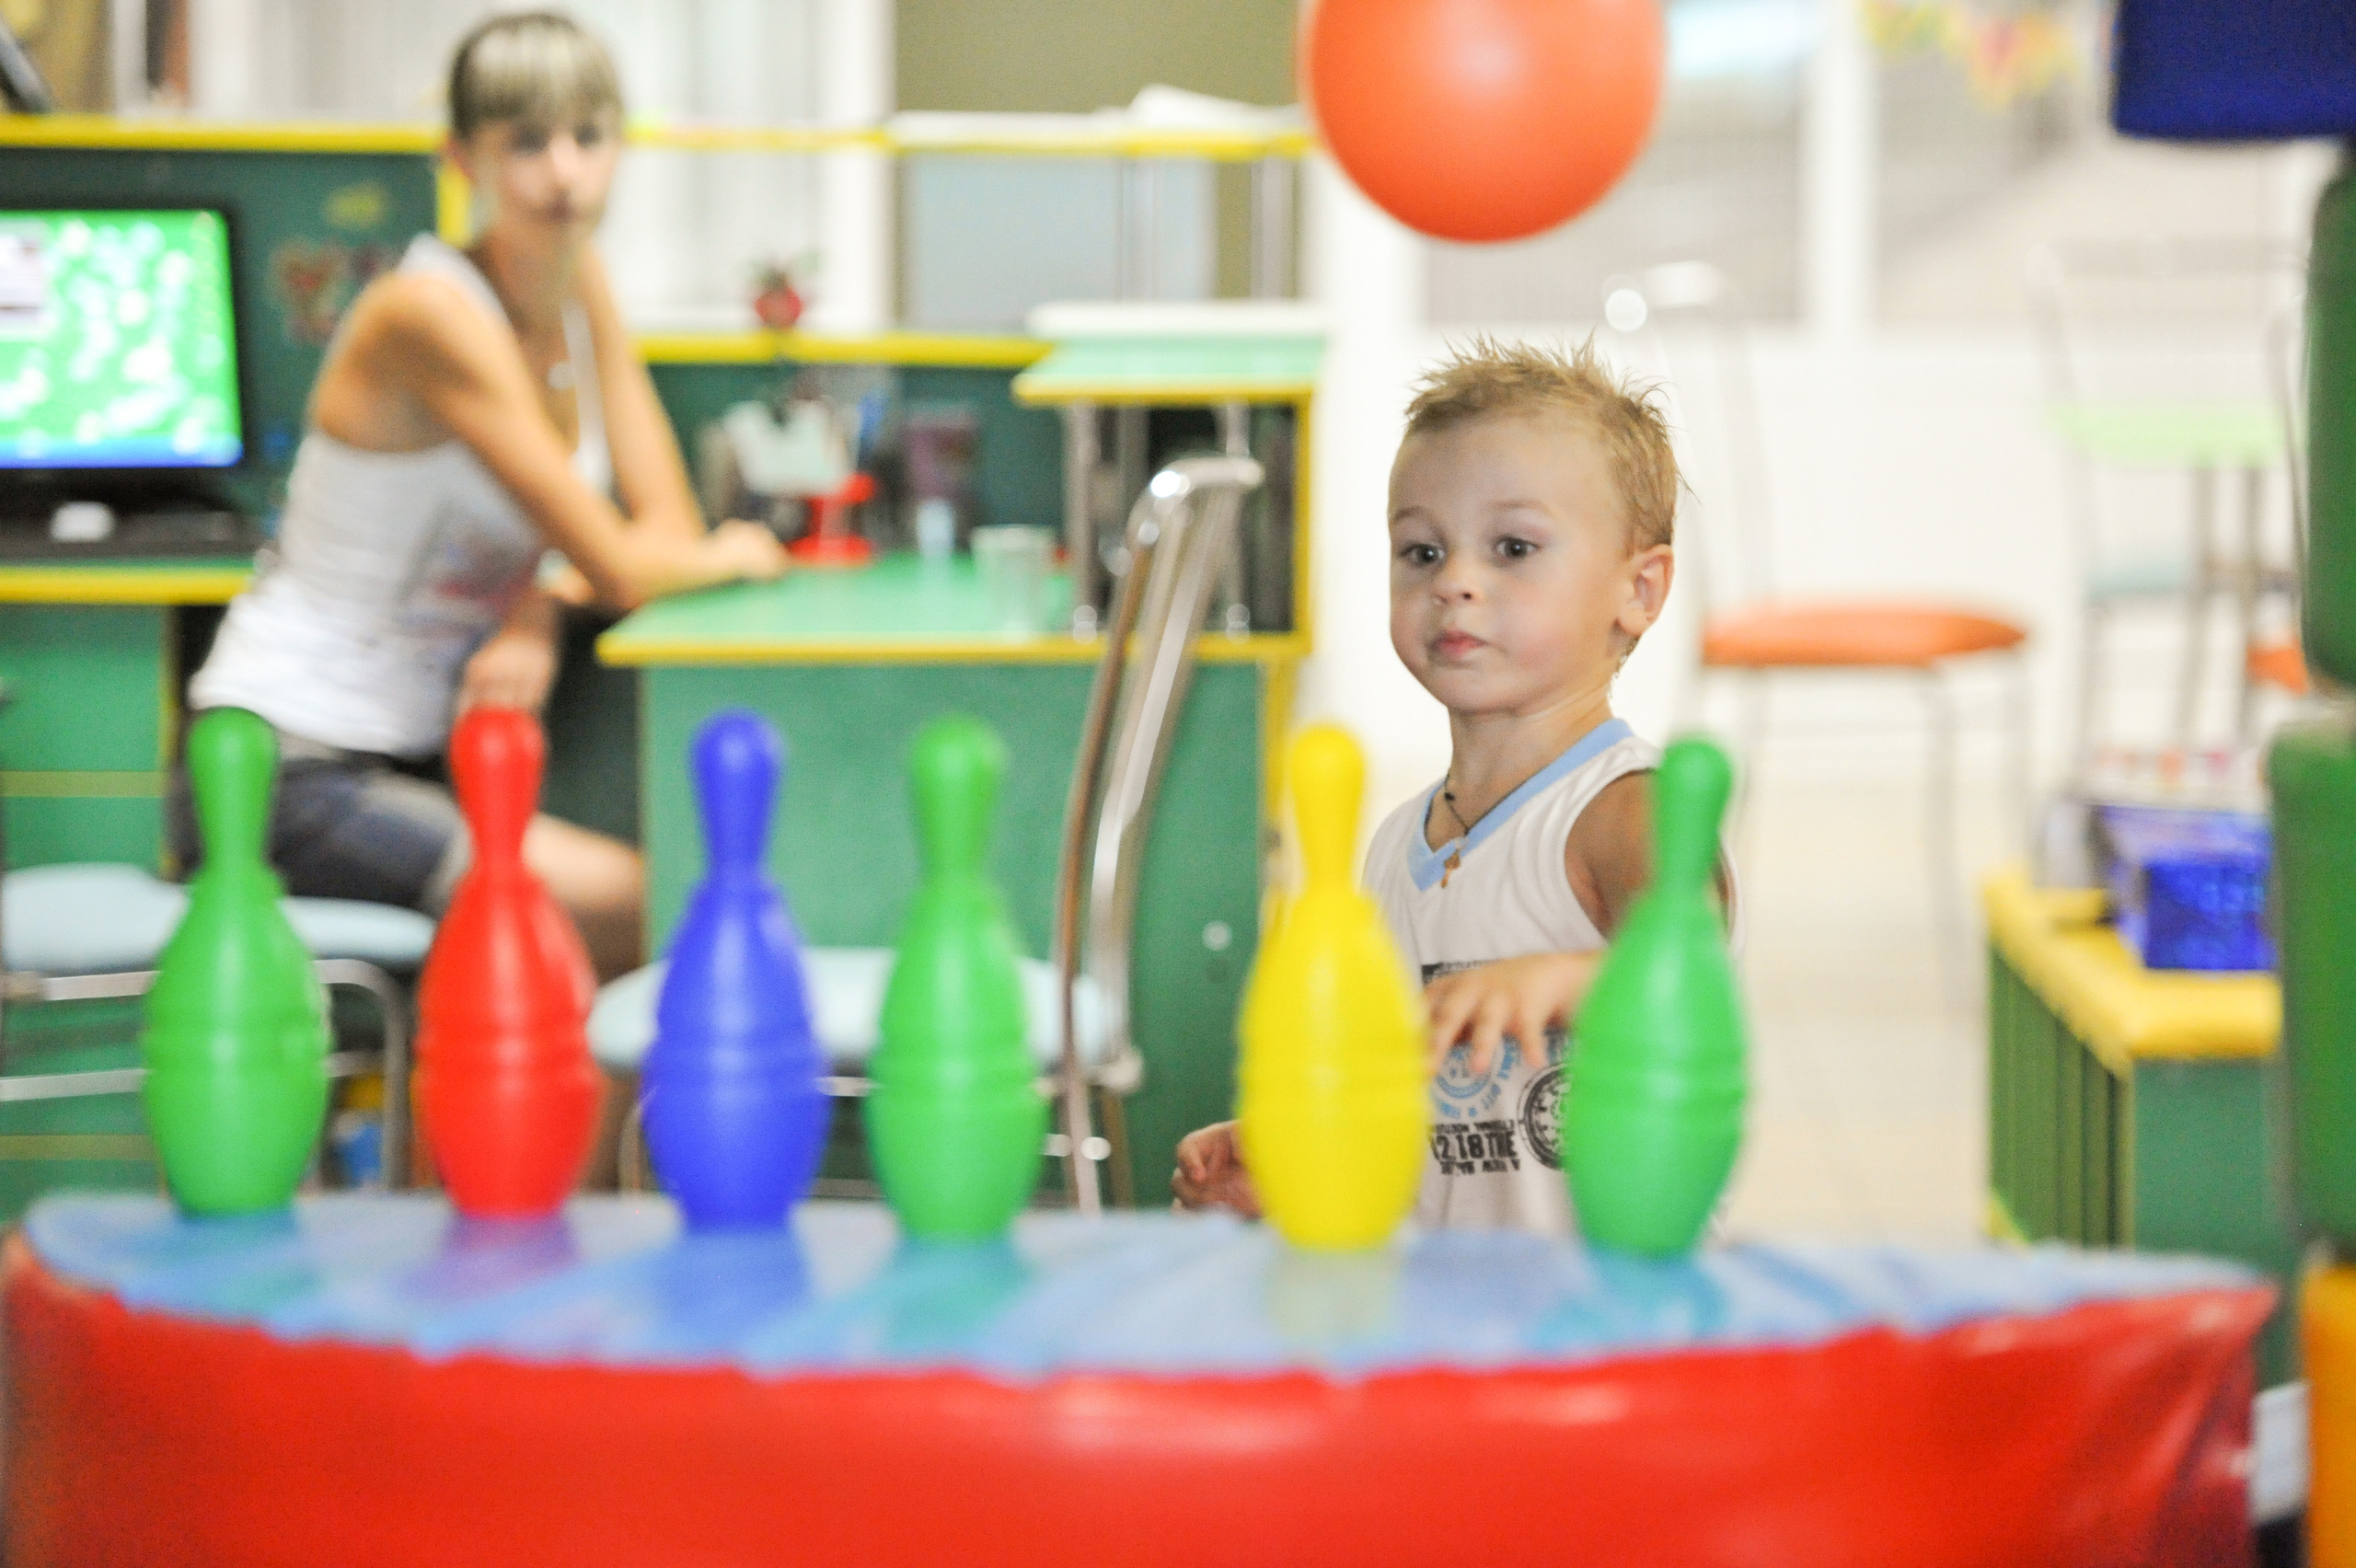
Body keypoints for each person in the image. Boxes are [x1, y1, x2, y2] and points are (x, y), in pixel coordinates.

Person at [177, 12, 785, 981]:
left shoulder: (579, 283)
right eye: (525, 141)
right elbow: (635, 564)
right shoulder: (428, 314)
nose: (563, 173)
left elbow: (663, 527)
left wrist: (543, 603)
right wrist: (735, 555)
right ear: (461, 157)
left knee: (600, 937)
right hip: (281, 772)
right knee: (642, 906)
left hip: (413, 759)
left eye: (589, 136)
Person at [1173, 338, 1713, 1236]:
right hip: (1439, 1326)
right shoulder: (1396, 849)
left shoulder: (1621, 810)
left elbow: (1691, 954)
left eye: (1512, 547)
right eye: (1421, 551)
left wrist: (1568, 974)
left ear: (1639, 589)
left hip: (1601, 1334)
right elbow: (1412, 1101)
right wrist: (1294, 1152)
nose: (1457, 581)